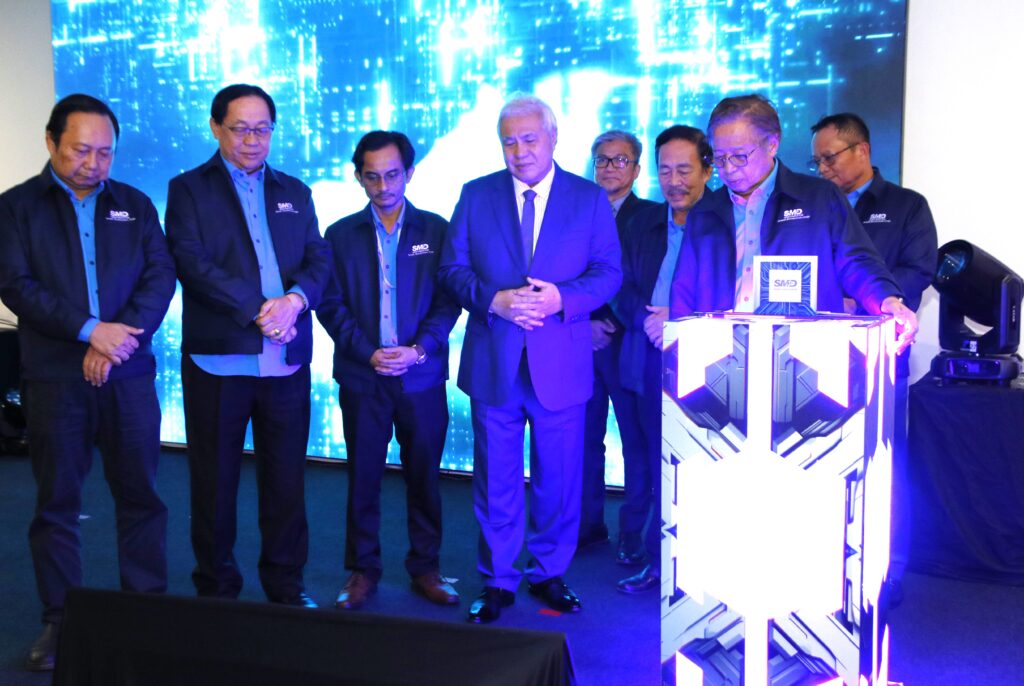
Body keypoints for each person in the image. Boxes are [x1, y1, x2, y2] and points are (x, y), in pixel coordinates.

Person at [0, 94, 175, 670]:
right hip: (56, 379)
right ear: (51, 142)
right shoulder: (15, 208)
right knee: (57, 504)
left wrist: (117, 341)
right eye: (81, 150)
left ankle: (144, 613)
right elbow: (17, 285)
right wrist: (90, 331)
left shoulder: (135, 205)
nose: (93, 163)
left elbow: (160, 275)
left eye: (105, 153)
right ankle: (62, 621)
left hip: (128, 373)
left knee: (141, 497)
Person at [439, 94, 621, 624]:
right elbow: (451, 270)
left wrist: (563, 298)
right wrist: (492, 300)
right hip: (494, 362)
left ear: (553, 137)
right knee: (495, 480)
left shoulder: (588, 198)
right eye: (509, 142)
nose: (519, 151)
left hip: (560, 362)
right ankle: (498, 579)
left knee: (557, 479)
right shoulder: (476, 195)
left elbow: (609, 273)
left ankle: (548, 573)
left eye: (529, 139)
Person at [165, 83, 330, 608]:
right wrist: (262, 310)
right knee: (214, 484)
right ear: (216, 127)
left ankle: (286, 584)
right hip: (219, 362)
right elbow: (192, 263)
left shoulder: (295, 191)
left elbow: (319, 258)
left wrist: (295, 301)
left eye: (263, 129)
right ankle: (217, 589)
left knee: (286, 482)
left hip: (286, 361)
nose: (253, 140)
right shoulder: (189, 189)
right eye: (241, 129)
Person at [317, 131, 461, 610]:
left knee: (424, 476)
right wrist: (367, 352)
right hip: (364, 377)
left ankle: (426, 567)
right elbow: (330, 304)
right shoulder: (339, 235)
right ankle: (362, 570)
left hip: (421, 377)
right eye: (372, 176)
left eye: (392, 174)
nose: (383, 186)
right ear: (359, 178)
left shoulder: (437, 231)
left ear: (410, 173)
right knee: (363, 476)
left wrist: (419, 350)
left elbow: (449, 301)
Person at [670, 94, 919, 356]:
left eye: (740, 156)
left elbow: (856, 261)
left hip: (805, 356)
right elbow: (683, 292)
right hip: (719, 356)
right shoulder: (705, 212)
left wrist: (886, 299)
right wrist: (679, 351)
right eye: (720, 158)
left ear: (772, 144)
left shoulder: (818, 198)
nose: (729, 168)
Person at [811, 112, 938, 605]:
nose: (823, 169)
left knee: (884, 467)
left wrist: (862, 302)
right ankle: (826, 570)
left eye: (830, 158)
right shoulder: (814, 204)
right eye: (817, 161)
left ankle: (888, 572)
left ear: (861, 150)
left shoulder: (906, 206)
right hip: (816, 357)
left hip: (881, 357)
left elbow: (918, 272)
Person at [614, 126, 713, 593]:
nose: (675, 181)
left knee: (699, 471)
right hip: (648, 355)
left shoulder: (725, 221)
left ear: (708, 170)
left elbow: (738, 288)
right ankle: (659, 565)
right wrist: (650, 320)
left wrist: (680, 318)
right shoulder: (643, 223)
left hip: (708, 361)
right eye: (666, 170)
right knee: (656, 465)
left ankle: (701, 568)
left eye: (685, 170)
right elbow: (619, 285)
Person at [579, 131, 657, 560]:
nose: (610, 167)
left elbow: (643, 279)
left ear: (637, 168)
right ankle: (587, 526)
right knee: (583, 440)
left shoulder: (651, 217)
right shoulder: (577, 213)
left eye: (620, 160)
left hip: (628, 344)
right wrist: (585, 323)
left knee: (635, 442)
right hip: (579, 343)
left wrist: (608, 320)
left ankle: (632, 533)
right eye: (603, 160)